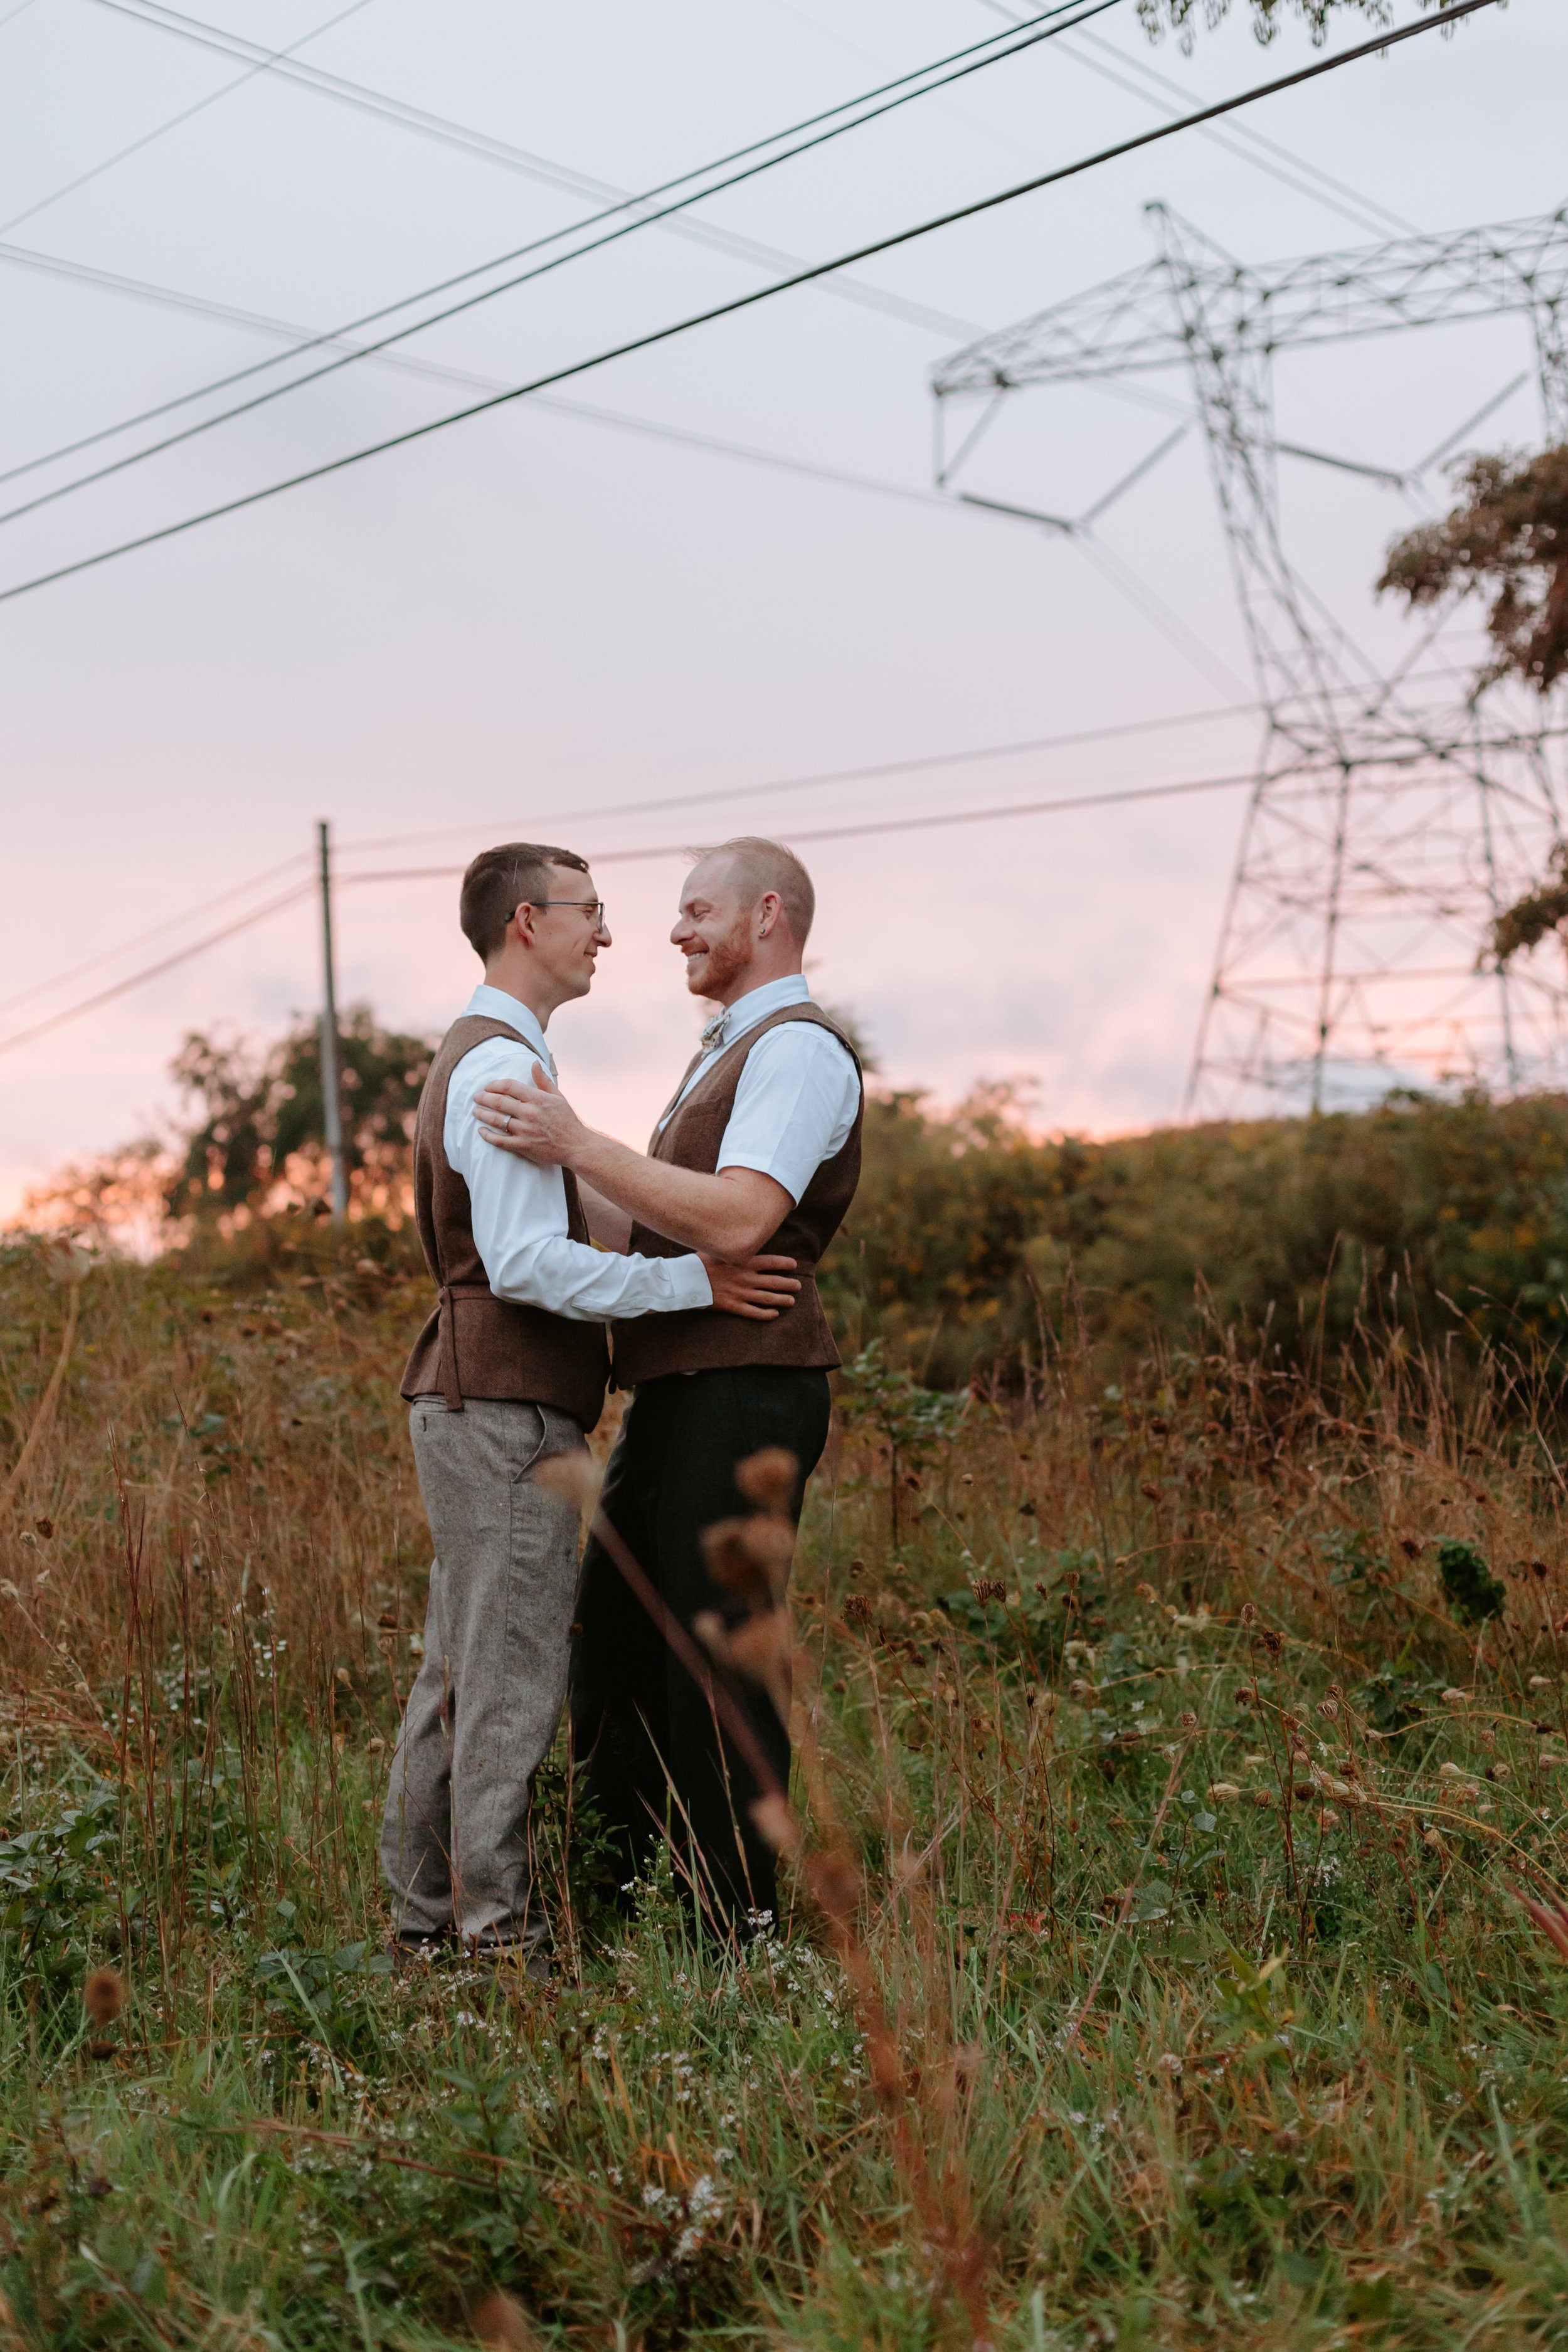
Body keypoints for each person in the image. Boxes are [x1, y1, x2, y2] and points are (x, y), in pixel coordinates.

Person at [382, 840, 800, 1974]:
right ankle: (497, 1940)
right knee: (508, 1671)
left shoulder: (497, 1055)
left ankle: (427, 1922)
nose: (609, 931)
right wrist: (693, 1283)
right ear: (528, 923)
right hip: (501, 1397)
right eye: (591, 910)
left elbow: (560, 1230)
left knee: (461, 1667)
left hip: (480, 1392)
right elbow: (524, 1262)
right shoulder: (503, 1069)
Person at [474, 835, 863, 1934]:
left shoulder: (796, 1051)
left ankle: (734, 1924)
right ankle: (624, 1889)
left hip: (748, 1388)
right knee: (618, 1641)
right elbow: (655, 1223)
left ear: (768, 913)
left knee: (720, 1654)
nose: (676, 930)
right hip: (681, 1389)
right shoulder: (724, 1049)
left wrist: (580, 1141)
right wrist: (524, 1166)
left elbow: (742, 1217)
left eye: (697, 909)